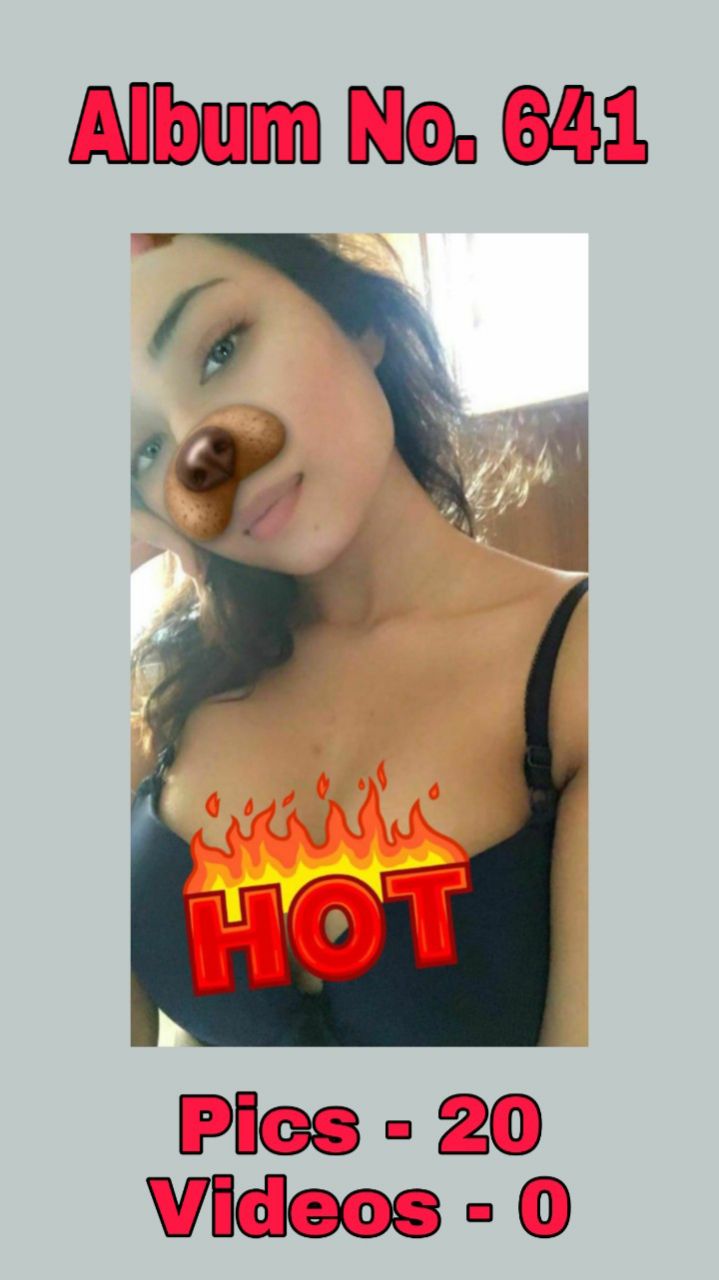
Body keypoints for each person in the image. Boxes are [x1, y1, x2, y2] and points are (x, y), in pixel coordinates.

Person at [130, 233, 588, 1047]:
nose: (201, 457)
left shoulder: (587, 665)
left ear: (355, 321)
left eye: (222, 349)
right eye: (143, 450)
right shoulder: (166, 696)